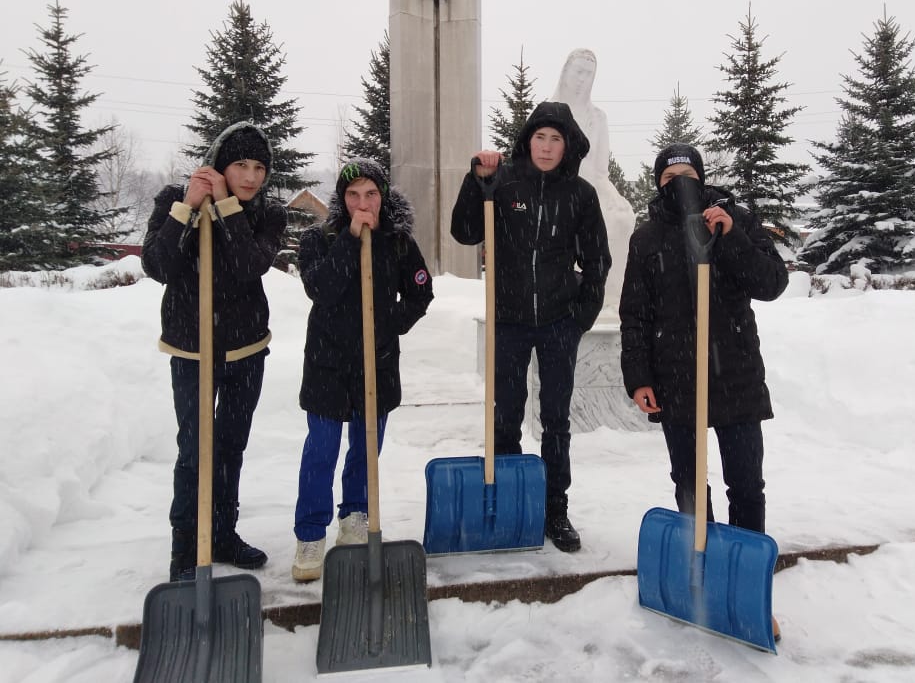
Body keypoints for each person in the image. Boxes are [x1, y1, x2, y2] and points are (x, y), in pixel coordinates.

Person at [451, 101, 611, 552]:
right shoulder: (503, 184)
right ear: (528, 140)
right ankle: (508, 501)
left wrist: (581, 317)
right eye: (540, 137)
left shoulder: (580, 194)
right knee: (505, 414)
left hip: (560, 321)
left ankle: (555, 508)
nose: (546, 146)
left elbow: (597, 260)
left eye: (556, 139)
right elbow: (465, 231)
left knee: (556, 420)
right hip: (509, 321)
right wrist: (476, 181)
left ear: (568, 145)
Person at [142, 120, 287, 582]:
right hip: (192, 352)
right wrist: (188, 208)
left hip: (246, 350)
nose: (251, 176)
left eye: (259, 167)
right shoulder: (174, 199)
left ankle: (222, 533)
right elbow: (159, 266)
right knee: (194, 450)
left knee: (229, 447)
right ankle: (185, 547)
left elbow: (248, 265)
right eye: (240, 165)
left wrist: (226, 206)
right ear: (220, 164)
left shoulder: (267, 214)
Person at [619, 141, 788, 533]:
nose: (679, 184)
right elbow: (635, 314)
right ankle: (698, 553)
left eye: (687, 176)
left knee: (746, 483)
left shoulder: (735, 220)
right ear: (658, 183)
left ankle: (742, 553)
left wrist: (731, 238)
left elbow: (772, 283)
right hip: (675, 377)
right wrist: (639, 377)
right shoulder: (647, 238)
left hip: (735, 373)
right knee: (689, 484)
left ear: (702, 178)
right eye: (669, 177)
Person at [291, 159, 433, 582]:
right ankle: (310, 532)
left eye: (371, 194)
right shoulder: (319, 239)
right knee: (321, 450)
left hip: (377, 361)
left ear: (383, 196)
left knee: (366, 448)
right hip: (328, 362)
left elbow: (420, 293)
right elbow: (321, 289)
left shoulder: (398, 241)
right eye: (353, 195)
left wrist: (387, 325)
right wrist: (351, 240)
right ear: (342, 198)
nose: (363, 203)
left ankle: (355, 513)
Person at [550, 48, 634, 311]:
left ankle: (607, 297)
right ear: (566, 72)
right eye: (578, 71)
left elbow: (600, 172)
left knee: (621, 218)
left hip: (590, 190)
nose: (582, 79)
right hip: (552, 190)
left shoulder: (598, 118)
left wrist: (613, 196)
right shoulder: (547, 113)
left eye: (588, 74)